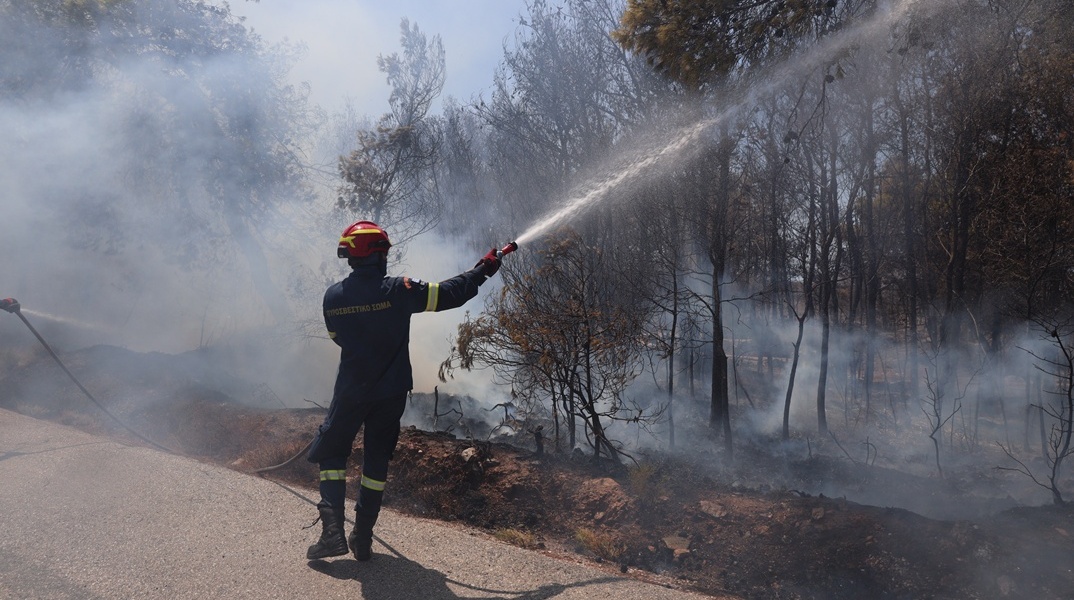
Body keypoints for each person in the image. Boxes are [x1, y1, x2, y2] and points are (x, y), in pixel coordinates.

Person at [306, 220, 503, 561]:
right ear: (379, 255)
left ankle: (332, 533)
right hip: (391, 392)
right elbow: (450, 294)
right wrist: (483, 269)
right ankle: (362, 538)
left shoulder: (333, 297)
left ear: (350, 256)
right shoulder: (399, 290)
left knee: (332, 453)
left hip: (351, 391)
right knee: (376, 463)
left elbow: (337, 339)